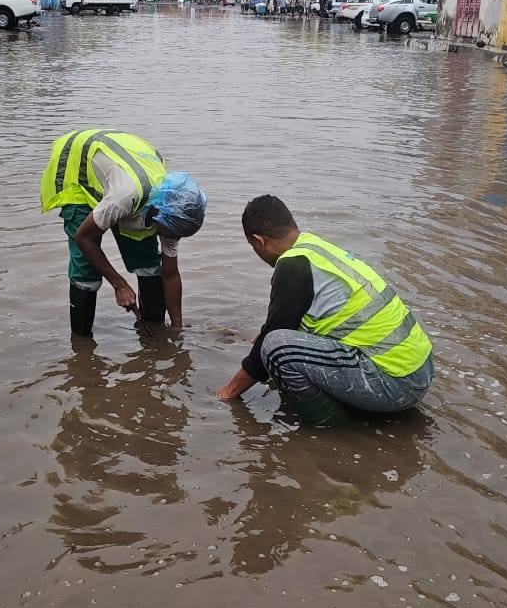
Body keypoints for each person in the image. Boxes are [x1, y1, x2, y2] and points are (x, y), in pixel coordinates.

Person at [217, 195, 433, 426]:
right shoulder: (314, 247)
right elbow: (295, 318)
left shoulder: (292, 266)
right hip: (419, 371)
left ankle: (330, 430)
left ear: (260, 241)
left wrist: (229, 392)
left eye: (253, 247)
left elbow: (271, 342)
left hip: (396, 385)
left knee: (274, 347)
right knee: (274, 340)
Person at [40, 129, 207, 336]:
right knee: (86, 272)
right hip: (80, 166)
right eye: (171, 233)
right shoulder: (125, 196)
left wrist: (177, 327)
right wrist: (119, 284)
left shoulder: (173, 209)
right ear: (159, 216)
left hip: (124, 169)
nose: (172, 239)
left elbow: (170, 275)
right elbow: (84, 238)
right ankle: (81, 344)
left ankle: (153, 331)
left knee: (148, 263)